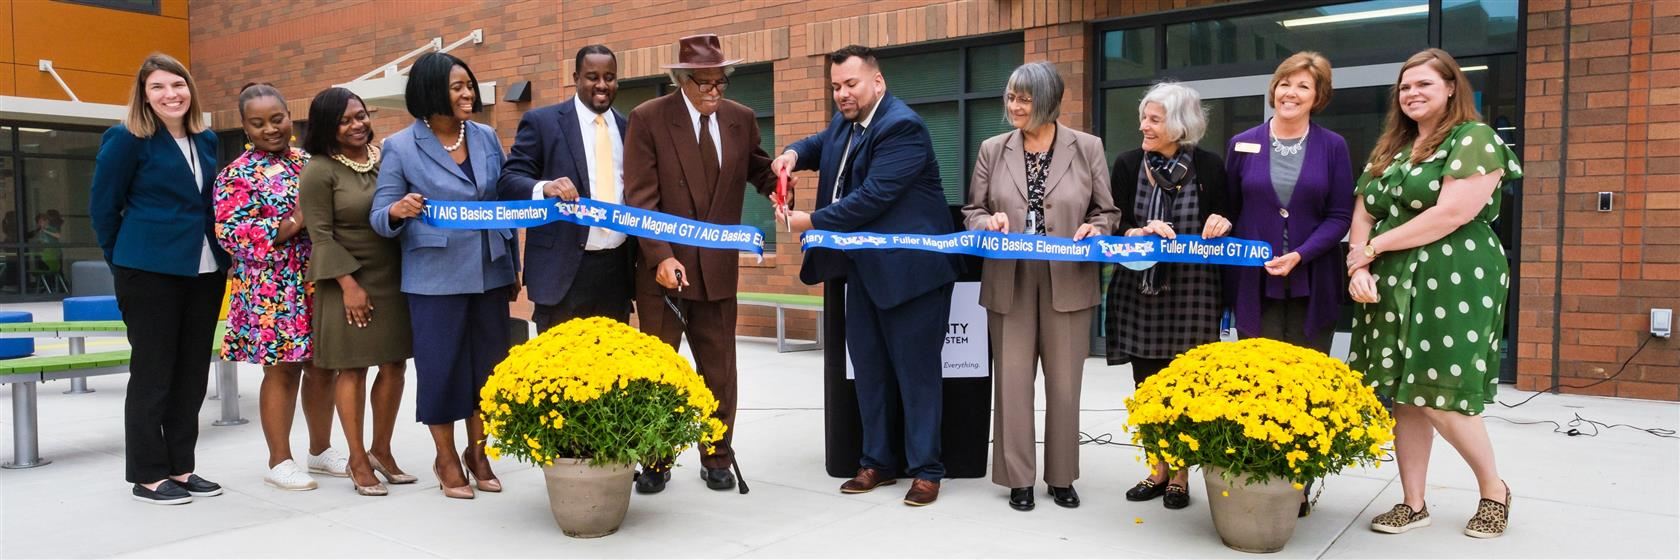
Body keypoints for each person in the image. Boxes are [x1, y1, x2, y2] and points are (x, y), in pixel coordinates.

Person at [775, 45, 960, 507]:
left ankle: (926, 471)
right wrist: (791, 155)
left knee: (917, 377)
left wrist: (809, 222)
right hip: (862, 273)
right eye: (836, 86)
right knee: (870, 372)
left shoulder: (902, 127)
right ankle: (876, 462)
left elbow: (873, 197)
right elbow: (821, 144)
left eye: (851, 84)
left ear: (877, 82)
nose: (842, 94)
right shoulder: (848, 120)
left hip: (911, 276)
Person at [1346, 48, 1520, 539]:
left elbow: (1451, 214)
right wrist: (1358, 263)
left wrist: (1371, 249)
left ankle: (1494, 491)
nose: (1412, 93)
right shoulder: (1390, 149)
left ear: (1450, 88)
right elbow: (1362, 212)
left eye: (1424, 84)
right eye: (1405, 87)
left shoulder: (1475, 138)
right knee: (1405, 395)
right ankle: (1413, 502)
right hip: (1393, 276)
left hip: (1456, 275)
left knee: (1442, 391)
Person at [622, 33, 778, 495]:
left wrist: (780, 181)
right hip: (664, 275)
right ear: (681, 80)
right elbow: (640, 199)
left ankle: (717, 456)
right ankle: (655, 458)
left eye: (720, 82)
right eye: (704, 82)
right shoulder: (648, 119)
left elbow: (759, 169)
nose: (714, 91)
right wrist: (660, 256)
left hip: (717, 273)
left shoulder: (741, 119)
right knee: (659, 374)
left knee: (719, 372)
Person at [961, 61, 1117, 512]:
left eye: (1024, 99)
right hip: (1010, 277)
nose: (1014, 106)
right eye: (1010, 97)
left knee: (1066, 385)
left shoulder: (1087, 148)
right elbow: (972, 209)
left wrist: (1096, 229)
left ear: (1048, 101)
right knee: (1012, 382)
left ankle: (1062, 476)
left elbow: (1107, 211)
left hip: (1067, 277)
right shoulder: (993, 149)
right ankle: (1018, 478)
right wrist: (987, 220)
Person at [370, 52, 517, 500]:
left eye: (469, 85)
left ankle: (478, 451)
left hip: (491, 269)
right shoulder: (400, 146)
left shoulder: (488, 136)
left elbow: (506, 192)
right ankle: (446, 457)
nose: (468, 93)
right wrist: (397, 211)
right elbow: (380, 214)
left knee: (488, 370)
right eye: (458, 88)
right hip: (435, 277)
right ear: (432, 92)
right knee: (442, 369)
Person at [90, 53, 230, 505]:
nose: (171, 94)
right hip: (148, 272)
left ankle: (181, 467)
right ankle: (148, 474)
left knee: (191, 374)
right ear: (144, 95)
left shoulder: (206, 139)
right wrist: (123, 262)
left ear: (190, 89)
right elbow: (102, 207)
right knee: (153, 374)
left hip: (205, 272)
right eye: (158, 87)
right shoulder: (127, 139)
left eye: (177, 85)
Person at [1222, 52, 1354, 517]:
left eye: (1302, 86)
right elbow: (1230, 209)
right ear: (1273, 88)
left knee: (1304, 383)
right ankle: (1258, 475)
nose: (1290, 93)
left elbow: (1340, 215)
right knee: (1257, 380)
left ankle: (1297, 485)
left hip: (1312, 279)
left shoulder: (1333, 146)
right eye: (1284, 83)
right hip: (1253, 281)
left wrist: (1301, 253)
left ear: (1318, 97)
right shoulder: (1242, 143)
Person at [1106, 81, 1232, 511]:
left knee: (1189, 386)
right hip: (1141, 293)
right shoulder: (1126, 164)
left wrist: (1222, 221)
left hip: (1194, 292)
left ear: (1180, 125)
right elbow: (1114, 222)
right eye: (1144, 117)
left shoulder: (1211, 167)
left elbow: (1228, 214)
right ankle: (1157, 469)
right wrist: (1138, 232)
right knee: (1146, 386)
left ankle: (1181, 475)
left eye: (1154, 119)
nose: (1144, 125)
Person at [213, 83, 346, 492]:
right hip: (272, 286)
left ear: (291, 117)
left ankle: (320, 451)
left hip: (316, 280)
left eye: (277, 119)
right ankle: (279, 460)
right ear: (244, 127)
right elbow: (231, 233)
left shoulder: (312, 162)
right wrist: (292, 223)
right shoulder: (235, 175)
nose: (270, 129)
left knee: (324, 366)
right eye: (258, 123)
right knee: (283, 370)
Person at [300, 86, 416, 497]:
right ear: (328, 127)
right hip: (346, 281)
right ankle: (356, 458)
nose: (358, 124)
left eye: (361, 115)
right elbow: (321, 236)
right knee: (352, 369)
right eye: (346, 119)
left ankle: (381, 450)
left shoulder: (384, 158)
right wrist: (350, 286)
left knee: (395, 365)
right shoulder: (318, 169)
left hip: (393, 275)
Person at [497, 45, 634, 332]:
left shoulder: (629, 127)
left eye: (609, 77)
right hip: (561, 272)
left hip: (616, 273)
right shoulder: (543, 122)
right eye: (592, 77)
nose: (601, 85)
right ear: (576, 78)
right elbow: (509, 182)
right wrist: (545, 187)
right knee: (560, 373)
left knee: (611, 369)